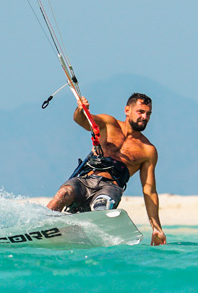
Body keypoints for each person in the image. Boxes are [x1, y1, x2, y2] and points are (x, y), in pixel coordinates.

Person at [47, 93, 166, 246]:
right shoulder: (108, 123)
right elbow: (81, 120)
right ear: (127, 110)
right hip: (86, 180)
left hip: (111, 188)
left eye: (148, 113)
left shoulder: (147, 150)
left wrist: (156, 228)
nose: (144, 117)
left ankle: (91, 237)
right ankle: (42, 227)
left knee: (102, 206)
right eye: (140, 112)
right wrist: (81, 109)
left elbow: (149, 191)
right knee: (63, 193)